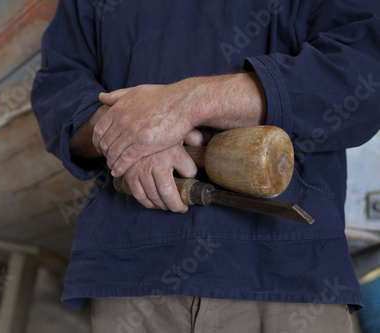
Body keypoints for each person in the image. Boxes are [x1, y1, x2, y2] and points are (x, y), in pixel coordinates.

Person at [31, 0, 380, 331]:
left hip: (285, 271)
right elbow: (58, 84)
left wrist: (189, 103)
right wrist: (125, 128)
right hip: (130, 273)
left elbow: (365, 69)